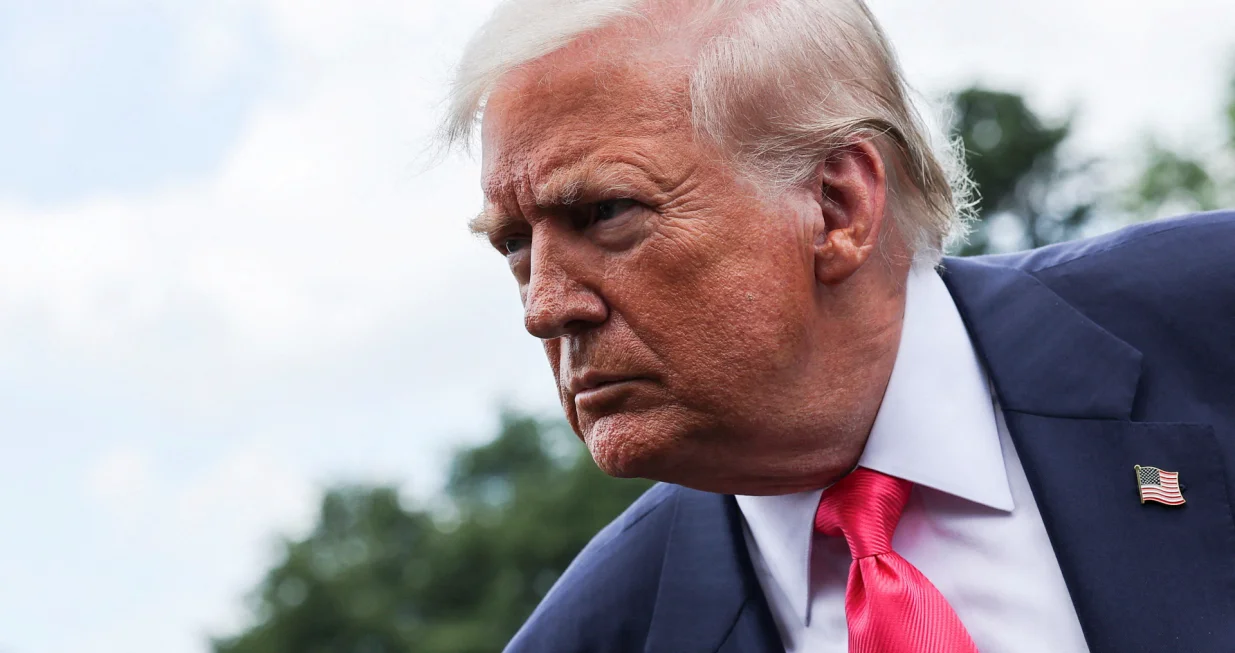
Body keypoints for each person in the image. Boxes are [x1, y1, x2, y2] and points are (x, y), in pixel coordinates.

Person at [442, 0, 1235, 651]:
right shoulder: (592, 635)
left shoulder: (1210, 316)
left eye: (605, 212)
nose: (543, 307)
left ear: (836, 205)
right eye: (515, 243)